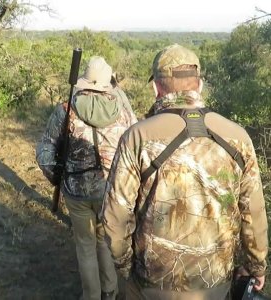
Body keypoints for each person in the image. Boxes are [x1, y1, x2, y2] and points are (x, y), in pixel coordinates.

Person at [101, 44, 269, 299]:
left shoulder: (137, 137)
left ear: (155, 88)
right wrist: (256, 266)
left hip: (151, 284)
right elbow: (252, 212)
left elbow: (115, 216)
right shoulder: (238, 137)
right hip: (214, 283)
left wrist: (126, 267)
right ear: (199, 86)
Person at [36, 56, 137, 300]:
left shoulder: (66, 110)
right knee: (104, 240)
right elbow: (135, 150)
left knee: (85, 245)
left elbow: (45, 152)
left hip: (76, 190)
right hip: (109, 191)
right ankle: (110, 292)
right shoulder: (123, 112)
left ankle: (91, 296)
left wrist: (57, 179)